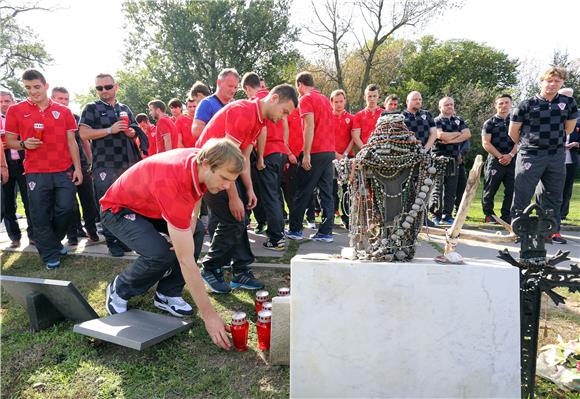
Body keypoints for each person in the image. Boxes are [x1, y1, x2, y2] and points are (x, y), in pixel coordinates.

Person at [101, 138, 245, 350]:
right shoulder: (174, 182)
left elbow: (195, 197)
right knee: (160, 254)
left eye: (231, 181)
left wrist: (189, 225)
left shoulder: (202, 160)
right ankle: (119, 289)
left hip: (148, 205)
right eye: (224, 178)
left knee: (195, 230)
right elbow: (186, 261)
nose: (226, 186)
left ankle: (168, 292)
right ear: (206, 165)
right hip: (118, 209)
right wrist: (209, 315)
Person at [195, 84, 297, 294]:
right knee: (233, 219)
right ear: (274, 98)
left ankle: (240, 270)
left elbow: (241, 159)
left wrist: (249, 190)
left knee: (239, 218)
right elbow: (226, 160)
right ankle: (210, 267)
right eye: (284, 111)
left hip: (223, 169)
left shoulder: (260, 122)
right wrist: (234, 197)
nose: (283, 117)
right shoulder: (242, 111)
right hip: (209, 171)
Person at [5, 69, 83, 269]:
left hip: (63, 169)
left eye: (37, 87)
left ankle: (53, 242)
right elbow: (11, 141)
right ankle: (50, 255)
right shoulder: (16, 110)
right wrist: (24, 144)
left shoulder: (63, 111)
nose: (33, 91)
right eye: (28, 88)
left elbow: (72, 142)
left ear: (46, 86)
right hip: (35, 171)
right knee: (39, 214)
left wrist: (78, 168)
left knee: (66, 209)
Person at [79, 73, 147, 257]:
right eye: (99, 88)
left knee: (128, 204)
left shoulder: (124, 107)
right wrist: (110, 130)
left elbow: (135, 131)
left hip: (128, 163)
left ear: (115, 87)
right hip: (105, 164)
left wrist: (132, 132)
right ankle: (112, 242)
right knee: (108, 205)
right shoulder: (91, 107)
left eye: (107, 87)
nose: (104, 91)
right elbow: (83, 133)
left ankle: (125, 239)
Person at [509, 67, 578, 244]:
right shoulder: (526, 104)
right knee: (523, 193)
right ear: (542, 82)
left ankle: (549, 232)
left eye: (557, 81)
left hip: (556, 155)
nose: (553, 84)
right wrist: (530, 143)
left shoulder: (568, 103)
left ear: (562, 83)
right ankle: (518, 230)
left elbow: (569, 128)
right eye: (549, 80)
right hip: (530, 155)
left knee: (553, 195)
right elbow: (513, 132)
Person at [242, 72, 289, 250]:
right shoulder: (275, 98)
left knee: (269, 197)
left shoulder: (256, 101)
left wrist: (260, 155)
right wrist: (284, 147)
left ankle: (276, 238)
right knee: (275, 195)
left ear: (247, 88)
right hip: (280, 151)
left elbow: (262, 129)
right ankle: (279, 232)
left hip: (267, 152)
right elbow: (284, 124)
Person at [286, 71, 335, 242]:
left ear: (300, 84)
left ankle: (295, 229)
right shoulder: (325, 100)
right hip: (329, 150)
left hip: (315, 151)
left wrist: (306, 153)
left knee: (302, 190)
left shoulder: (306, 99)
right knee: (326, 192)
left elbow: (309, 125)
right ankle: (326, 231)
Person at [51, 87, 99, 244]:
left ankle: (92, 230)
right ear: (52, 98)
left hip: (82, 164)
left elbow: (84, 141)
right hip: (62, 167)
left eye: (66, 99)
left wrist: (91, 161)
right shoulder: (47, 118)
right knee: (69, 202)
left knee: (89, 199)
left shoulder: (76, 117)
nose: (63, 102)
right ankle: (72, 235)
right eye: (60, 98)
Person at [430, 96, 471, 225]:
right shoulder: (435, 121)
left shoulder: (459, 120)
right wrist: (458, 134)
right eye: (446, 104)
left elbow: (467, 134)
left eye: (451, 104)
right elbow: (440, 135)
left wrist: (450, 138)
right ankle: (435, 215)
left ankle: (447, 215)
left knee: (451, 189)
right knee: (437, 188)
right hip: (438, 158)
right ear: (440, 107)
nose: (449, 106)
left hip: (454, 159)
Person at [1, 89, 34, 248]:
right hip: (5, 166)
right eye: (0, 102)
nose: (4, 104)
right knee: (8, 202)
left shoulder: (22, 117)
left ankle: (33, 234)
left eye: (7, 101)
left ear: (13, 101)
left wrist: (16, 141)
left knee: (29, 200)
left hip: (24, 163)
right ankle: (14, 236)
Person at [481, 94, 516, 224]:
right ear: (496, 105)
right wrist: (501, 156)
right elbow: (486, 143)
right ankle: (489, 215)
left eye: (506, 102)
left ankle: (507, 215)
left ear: (511, 104)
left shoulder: (516, 121)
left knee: (512, 189)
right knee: (490, 189)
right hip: (495, 160)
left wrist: (511, 155)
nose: (503, 105)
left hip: (513, 159)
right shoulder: (489, 123)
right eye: (500, 103)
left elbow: (521, 140)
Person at [192, 69, 240, 141]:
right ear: (219, 82)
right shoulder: (207, 103)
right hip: (214, 150)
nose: (233, 90)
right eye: (230, 86)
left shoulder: (235, 106)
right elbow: (196, 132)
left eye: (235, 87)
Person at [330, 89, 354, 228]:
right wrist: (336, 154)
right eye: (336, 101)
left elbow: (353, 138)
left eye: (341, 101)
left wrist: (344, 155)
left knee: (347, 189)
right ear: (331, 102)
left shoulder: (351, 118)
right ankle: (331, 216)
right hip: (331, 158)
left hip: (348, 158)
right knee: (331, 189)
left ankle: (347, 218)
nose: (339, 104)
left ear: (345, 101)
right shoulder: (327, 117)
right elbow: (325, 137)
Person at [352, 84, 382, 150]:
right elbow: (356, 137)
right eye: (369, 96)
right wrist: (366, 150)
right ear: (365, 97)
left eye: (374, 96)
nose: (372, 99)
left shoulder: (384, 114)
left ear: (378, 96)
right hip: (364, 154)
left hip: (382, 152)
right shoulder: (358, 115)